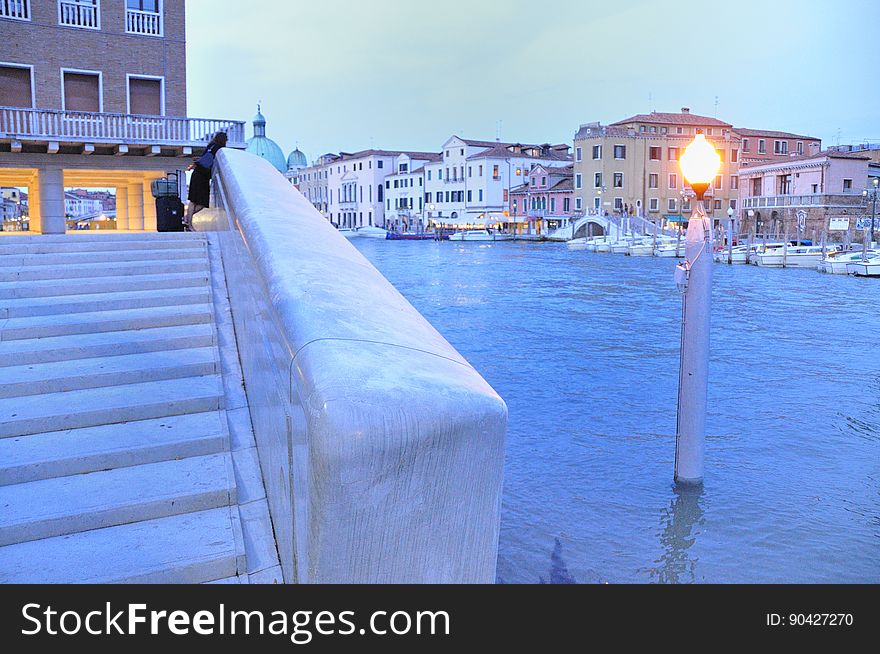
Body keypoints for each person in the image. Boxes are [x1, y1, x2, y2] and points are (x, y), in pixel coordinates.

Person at [184, 131, 227, 229]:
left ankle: (187, 219)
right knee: (198, 202)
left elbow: (203, 159)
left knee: (196, 201)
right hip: (202, 176)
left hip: (198, 174)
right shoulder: (219, 149)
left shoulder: (210, 146)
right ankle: (189, 224)